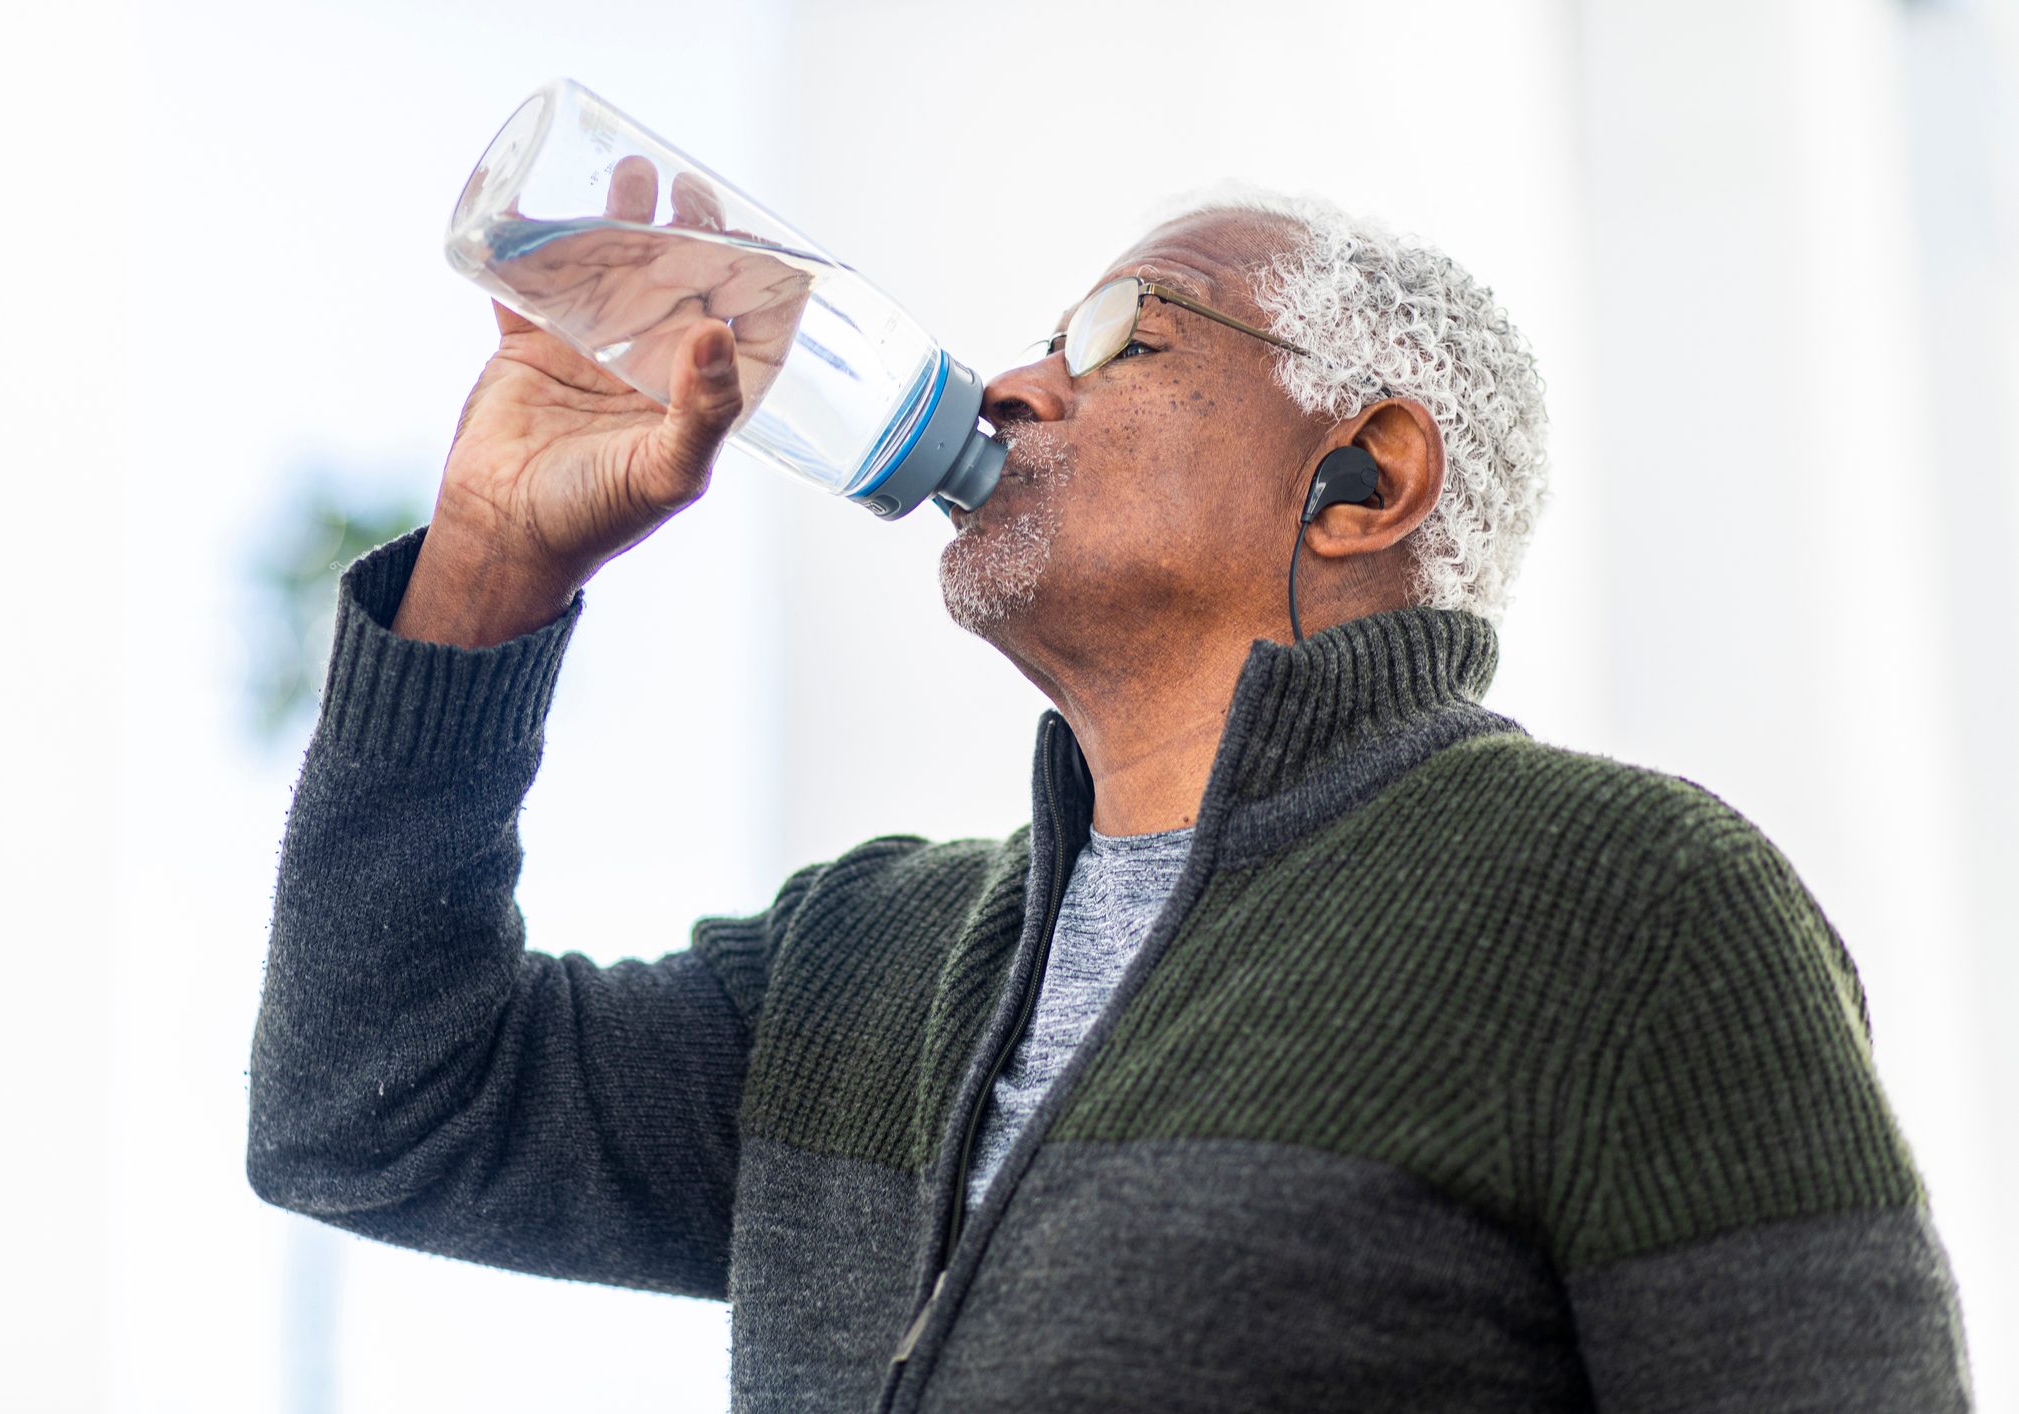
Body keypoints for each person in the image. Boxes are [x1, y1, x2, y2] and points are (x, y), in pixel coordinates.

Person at [247, 186, 1975, 1412]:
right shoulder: (859, 958)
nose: (1007, 384)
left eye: (1115, 337)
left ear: (1365, 472)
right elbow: (374, 1108)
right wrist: (484, 569)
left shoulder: (1625, 903)